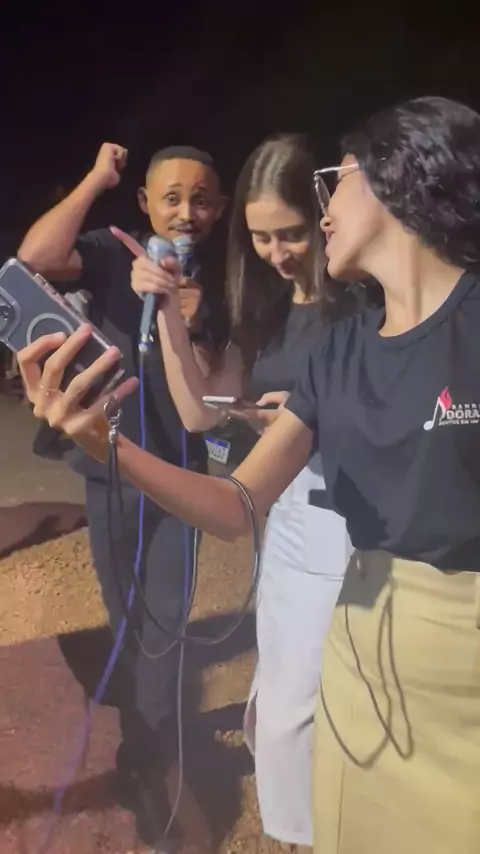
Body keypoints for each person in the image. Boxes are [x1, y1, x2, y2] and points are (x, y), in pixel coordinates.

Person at [17, 95, 480, 854]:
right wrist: (105, 442)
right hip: (364, 619)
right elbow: (236, 501)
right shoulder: (339, 351)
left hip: (459, 651)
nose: (321, 216)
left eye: (335, 183)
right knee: (314, 759)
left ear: (399, 178)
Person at [113, 133, 355, 852]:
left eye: (292, 234)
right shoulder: (266, 310)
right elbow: (200, 412)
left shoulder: (366, 307)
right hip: (285, 528)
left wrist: (314, 421)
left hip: (352, 531)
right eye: (260, 238)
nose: (278, 253)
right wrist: (165, 311)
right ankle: (301, 835)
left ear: (325, 217)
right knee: (279, 711)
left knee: (327, 707)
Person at [17, 142, 228, 849]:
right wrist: (95, 179)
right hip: (108, 468)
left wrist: (191, 318)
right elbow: (35, 259)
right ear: (144, 202)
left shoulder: (230, 276)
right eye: (171, 197)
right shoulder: (114, 252)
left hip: (183, 478)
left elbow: (225, 387)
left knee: (165, 627)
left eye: (201, 199)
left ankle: (159, 771)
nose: (186, 212)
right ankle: (144, 746)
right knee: (126, 617)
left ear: (220, 208)